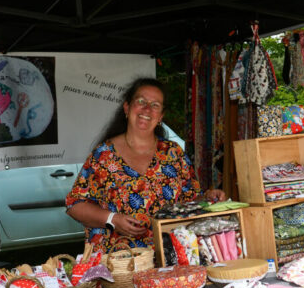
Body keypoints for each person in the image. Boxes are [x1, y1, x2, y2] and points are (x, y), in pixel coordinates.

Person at [66, 78, 225, 254]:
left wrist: (209, 198)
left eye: (155, 105)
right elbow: (75, 205)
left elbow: (190, 201)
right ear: (127, 108)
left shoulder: (172, 153)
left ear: (161, 117)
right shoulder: (104, 155)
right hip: (119, 267)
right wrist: (113, 219)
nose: (147, 109)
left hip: (169, 260)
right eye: (141, 101)